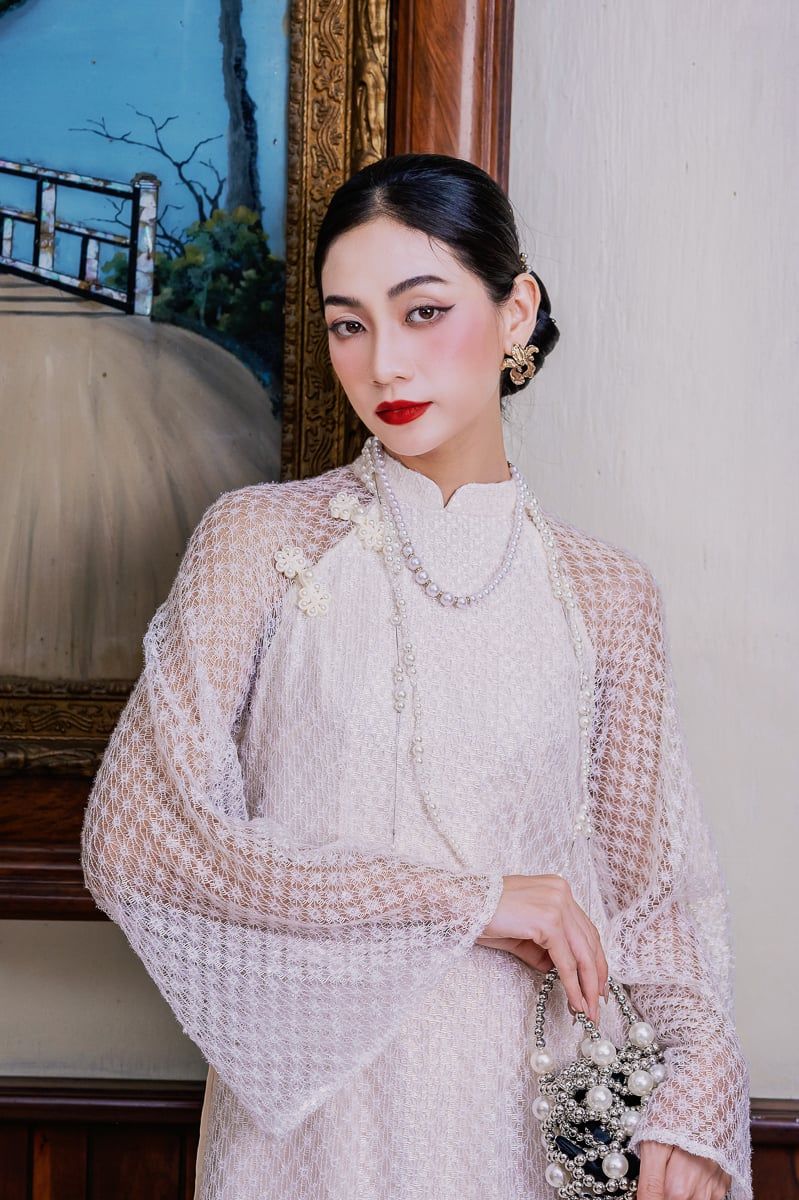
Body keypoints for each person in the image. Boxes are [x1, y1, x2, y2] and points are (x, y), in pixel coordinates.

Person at [81, 153, 752, 1200]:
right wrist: (468, 904)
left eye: (423, 311)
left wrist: (695, 1105)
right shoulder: (257, 542)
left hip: (534, 1115)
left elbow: (660, 906)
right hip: (315, 1129)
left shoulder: (605, 593)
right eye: (348, 324)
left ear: (515, 310)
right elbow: (137, 840)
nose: (384, 364)